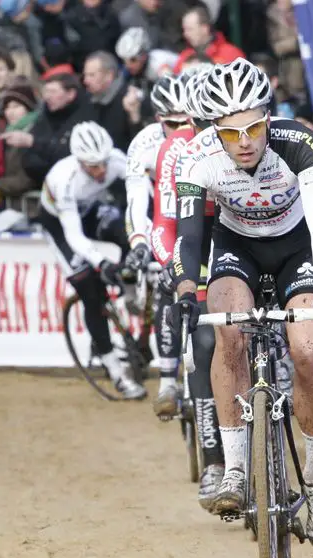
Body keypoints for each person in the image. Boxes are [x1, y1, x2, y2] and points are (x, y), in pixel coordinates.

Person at [171, 59, 313, 547]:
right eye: (231, 133)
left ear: (268, 117)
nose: (244, 142)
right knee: (227, 332)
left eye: (253, 127)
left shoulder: (298, 143)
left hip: (297, 249)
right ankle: (234, 469)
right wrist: (187, 291)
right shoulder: (196, 159)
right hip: (237, 247)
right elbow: (190, 239)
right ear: (213, 131)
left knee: (308, 352)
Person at [135, 67, 225, 508]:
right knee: (206, 342)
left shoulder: (252, 139)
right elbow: (165, 224)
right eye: (202, 122)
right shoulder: (176, 148)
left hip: (243, 238)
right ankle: (213, 460)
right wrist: (179, 272)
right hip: (194, 239)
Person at [36, 122, 146, 400]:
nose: (100, 171)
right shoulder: (64, 179)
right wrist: (101, 263)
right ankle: (116, 372)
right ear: (79, 160)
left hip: (90, 210)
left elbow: (148, 193)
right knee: (89, 290)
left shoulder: (117, 160)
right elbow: (74, 236)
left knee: (125, 231)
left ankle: (129, 289)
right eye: (92, 166)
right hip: (60, 224)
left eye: (103, 164)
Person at [123, 74, 192, 417]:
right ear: (157, 121)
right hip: (161, 215)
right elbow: (137, 200)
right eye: (172, 123)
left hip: (199, 211)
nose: (181, 128)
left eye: (187, 120)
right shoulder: (144, 144)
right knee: (166, 280)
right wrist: (139, 241)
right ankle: (167, 378)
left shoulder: (204, 135)